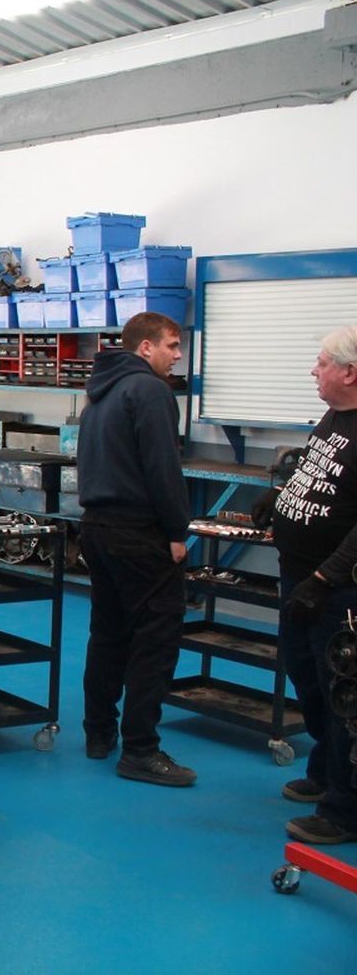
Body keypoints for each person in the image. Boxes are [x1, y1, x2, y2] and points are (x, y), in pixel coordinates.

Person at [76, 311, 194, 786]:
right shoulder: (149, 391)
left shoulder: (98, 394)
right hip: (138, 533)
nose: (178, 354)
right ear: (145, 348)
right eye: (171, 345)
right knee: (156, 636)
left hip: (97, 528)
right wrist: (176, 532)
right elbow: (163, 468)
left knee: (108, 632)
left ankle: (98, 733)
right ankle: (141, 750)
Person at [268, 326, 357, 844]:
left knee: (343, 695)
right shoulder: (333, 416)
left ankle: (344, 809)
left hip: (336, 591)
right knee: (305, 675)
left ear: (349, 372)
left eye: (322, 363)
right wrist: (279, 502)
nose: (314, 371)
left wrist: (325, 578)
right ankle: (325, 768)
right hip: (297, 575)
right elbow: (316, 472)